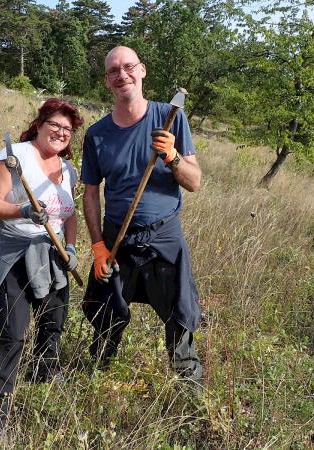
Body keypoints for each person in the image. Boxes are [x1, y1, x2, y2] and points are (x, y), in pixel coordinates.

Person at [80, 46, 203, 380]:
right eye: (113, 71)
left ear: (142, 70)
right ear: (107, 81)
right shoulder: (97, 135)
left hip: (164, 237)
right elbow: (91, 195)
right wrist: (97, 247)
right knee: (106, 313)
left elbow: (194, 182)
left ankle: (188, 391)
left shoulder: (170, 118)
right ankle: (96, 376)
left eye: (128, 67)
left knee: (180, 315)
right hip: (117, 237)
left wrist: (172, 156)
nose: (122, 75)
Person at [0, 98, 83, 428]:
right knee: (13, 333)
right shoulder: (16, 156)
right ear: (39, 124)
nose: (60, 132)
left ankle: (44, 373)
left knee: (54, 320)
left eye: (67, 129)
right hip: (14, 252)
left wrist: (70, 246)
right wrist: (22, 211)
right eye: (54, 124)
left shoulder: (68, 170)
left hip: (51, 255)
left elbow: (70, 213)